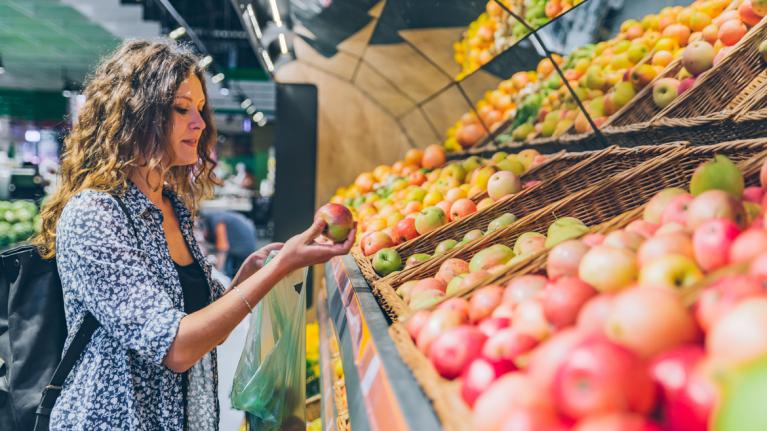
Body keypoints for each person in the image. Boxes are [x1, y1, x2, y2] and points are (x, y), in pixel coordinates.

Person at [31, 40, 354, 430]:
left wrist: (249, 276)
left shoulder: (171, 206)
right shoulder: (94, 215)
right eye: (182, 109)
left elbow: (201, 330)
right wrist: (280, 266)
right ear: (137, 115)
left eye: (200, 109)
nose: (200, 124)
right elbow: (176, 346)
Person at [201, 210, 259, 278]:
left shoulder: (218, 223)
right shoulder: (214, 219)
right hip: (244, 241)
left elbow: (222, 250)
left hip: (244, 245)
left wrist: (214, 275)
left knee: (224, 271)